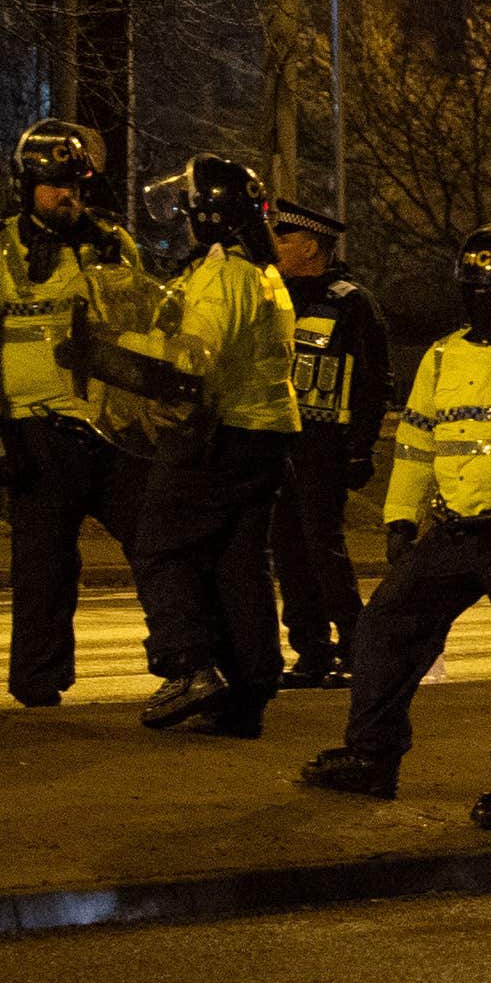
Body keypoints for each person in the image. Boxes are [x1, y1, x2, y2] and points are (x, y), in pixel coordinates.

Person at [300, 225, 491, 828]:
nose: (489, 305)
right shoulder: (442, 358)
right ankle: (371, 758)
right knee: (385, 627)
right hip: (455, 527)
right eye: (478, 293)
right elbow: (415, 444)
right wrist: (400, 518)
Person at [132, 155, 300, 739]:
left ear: (207, 216)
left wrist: (117, 348)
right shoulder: (265, 271)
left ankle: (188, 667)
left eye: (186, 210)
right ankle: (249, 692)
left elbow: (193, 362)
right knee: (239, 565)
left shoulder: (224, 272)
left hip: (219, 438)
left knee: (159, 547)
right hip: (266, 436)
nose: (180, 220)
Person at [3, 119, 147, 708]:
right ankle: (39, 683)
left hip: (108, 427)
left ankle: (185, 661)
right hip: (33, 430)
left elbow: (144, 330)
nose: (70, 196)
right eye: (57, 185)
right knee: (43, 566)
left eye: (78, 187)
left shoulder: (112, 245)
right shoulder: (2, 250)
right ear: (26, 187)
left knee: (158, 544)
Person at [264, 202, 391, 689]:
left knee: (322, 549)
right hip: (279, 442)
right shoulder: (275, 297)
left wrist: (360, 447)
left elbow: (373, 381)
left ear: (311, 246)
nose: (275, 249)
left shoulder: (351, 302)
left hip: (324, 447)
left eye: (285, 240)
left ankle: (357, 647)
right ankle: (311, 652)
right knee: (288, 553)